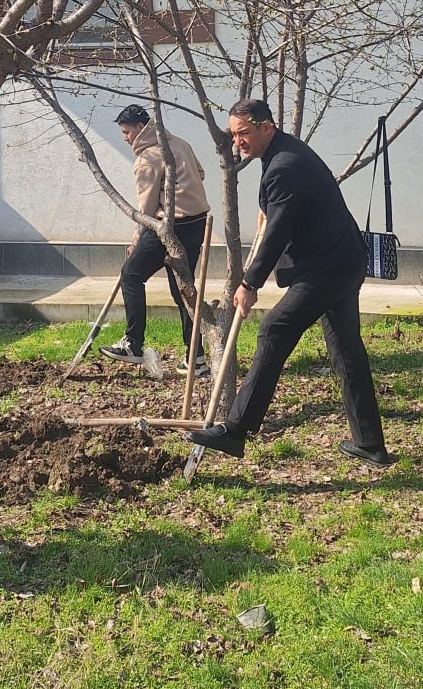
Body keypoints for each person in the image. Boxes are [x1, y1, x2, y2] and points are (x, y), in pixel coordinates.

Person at [189, 98, 394, 466]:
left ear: (267, 126)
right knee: (346, 352)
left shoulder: (285, 165)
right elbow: (276, 216)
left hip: (327, 268)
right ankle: (370, 444)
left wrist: (250, 282)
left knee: (274, 328)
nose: (238, 143)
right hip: (342, 261)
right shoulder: (284, 155)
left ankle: (236, 430)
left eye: (244, 134)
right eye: (234, 136)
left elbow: (278, 229)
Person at [101, 104, 211, 377]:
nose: (125, 138)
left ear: (140, 128)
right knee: (183, 289)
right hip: (196, 222)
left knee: (131, 274)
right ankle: (196, 359)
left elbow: (146, 209)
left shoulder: (148, 157)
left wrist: (136, 239)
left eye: (126, 132)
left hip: (170, 227)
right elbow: (201, 173)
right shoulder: (179, 143)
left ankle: (132, 344)